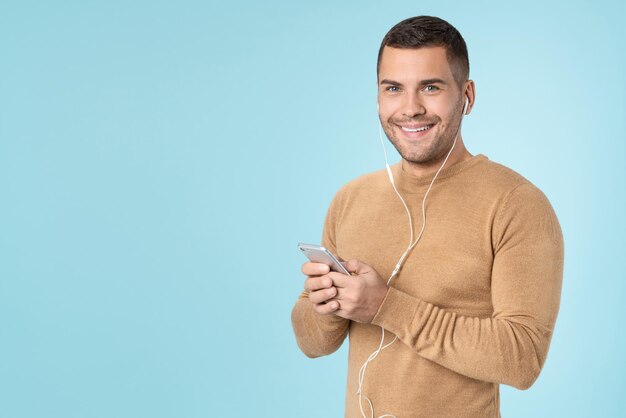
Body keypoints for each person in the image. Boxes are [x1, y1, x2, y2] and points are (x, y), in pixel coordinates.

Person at [291, 15, 564, 418]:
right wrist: (326, 304)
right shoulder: (350, 199)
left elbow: (522, 359)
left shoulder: (517, 204)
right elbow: (313, 343)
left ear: (466, 96)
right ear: (378, 97)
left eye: (431, 87)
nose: (410, 108)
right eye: (393, 89)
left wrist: (385, 307)